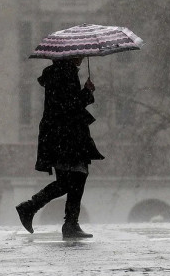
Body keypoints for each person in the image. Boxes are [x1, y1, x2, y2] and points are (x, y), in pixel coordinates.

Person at [16, 57, 104, 239]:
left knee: (70, 179)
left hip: (58, 134)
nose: (81, 56)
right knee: (76, 176)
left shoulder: (57, 73)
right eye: (78, 53)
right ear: (69, 56)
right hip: (67, 135)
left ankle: (64, 220)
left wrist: (83, 93)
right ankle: (61, 220)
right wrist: (86, 92)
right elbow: (69, 106)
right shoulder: (66, 73)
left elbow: (64, 103)